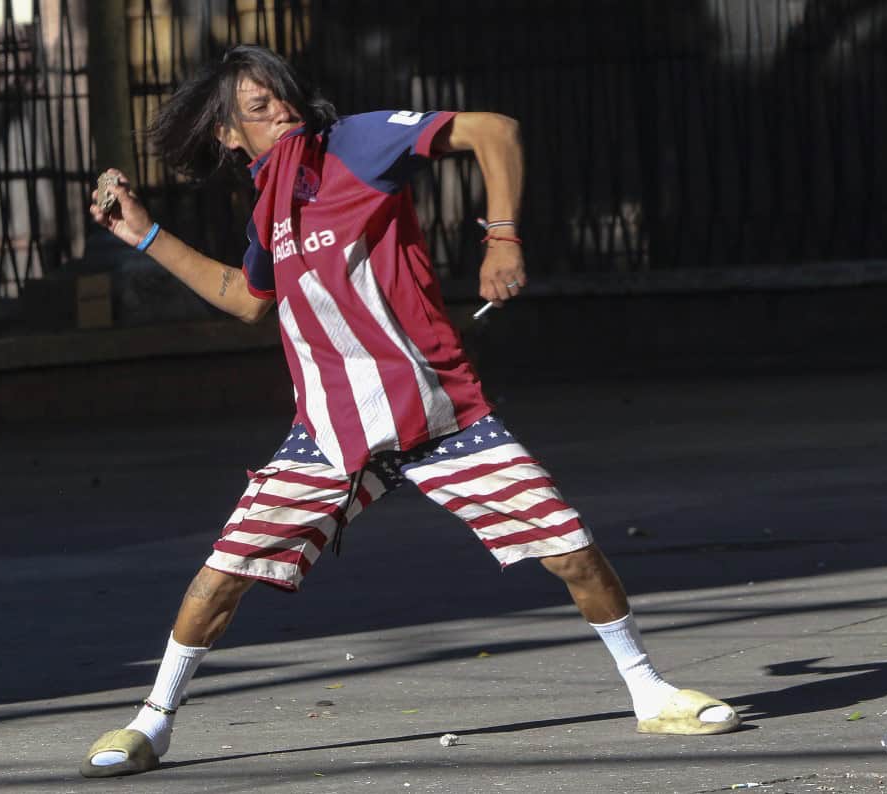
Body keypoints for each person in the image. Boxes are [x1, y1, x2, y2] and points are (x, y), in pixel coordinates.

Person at [80, 44, 740, 778]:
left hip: (441, 416)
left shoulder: (357, 143)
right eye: (259, 109)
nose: (283, 112)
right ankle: (152, 724)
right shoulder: (270, 206)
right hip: (329, 437)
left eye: (284, 96)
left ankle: (650, 692)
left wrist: (503, 236)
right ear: (230, 137)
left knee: (570, 548)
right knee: (221, 575)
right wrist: (141, 234)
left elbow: (494, 129)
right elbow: (244, 299)